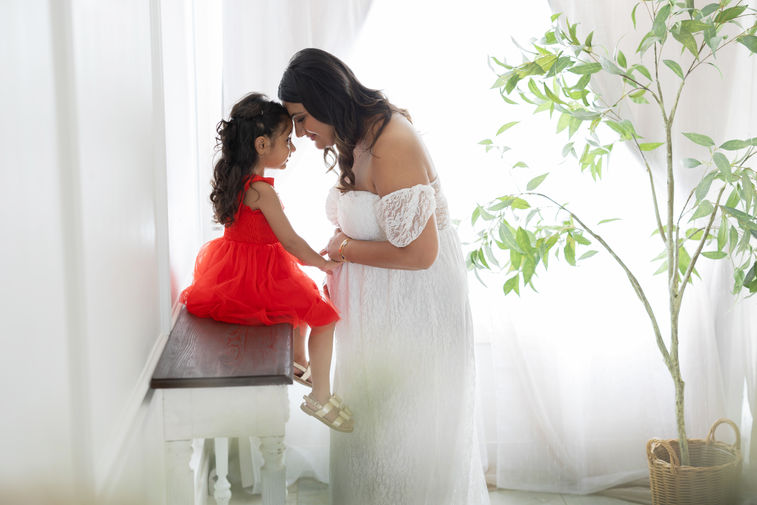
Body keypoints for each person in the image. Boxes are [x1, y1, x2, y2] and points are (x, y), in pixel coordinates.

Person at [279, 49, 489, 504]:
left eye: (301, 118)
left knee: (401, 432)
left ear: (324, 98)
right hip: (377, 310)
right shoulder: (355, 137)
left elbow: (421, 253)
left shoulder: (392, 141)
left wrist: (344, 250)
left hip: (415, 306)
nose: (299, 133)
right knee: (371, 432)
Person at [180, 92, 353, 433]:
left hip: (233, 273)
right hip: (258, 280)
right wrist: (322, 263)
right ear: (261, 145)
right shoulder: (262, 191)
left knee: (302, 297)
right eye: (287, 141)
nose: (292, 148)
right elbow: (290, 241)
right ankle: (320, 395)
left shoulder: (236, 182)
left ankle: (298, 360)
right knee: (324, 316)